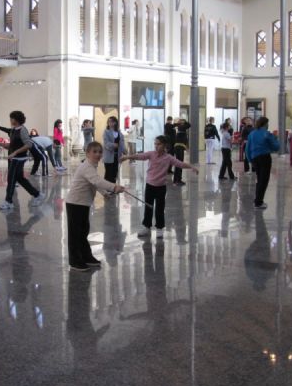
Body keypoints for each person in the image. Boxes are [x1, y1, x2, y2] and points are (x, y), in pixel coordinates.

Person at [120, 135, 198, 239]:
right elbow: (140, 156)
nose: (156, 146)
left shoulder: (168, 157)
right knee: (148, 207)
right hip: (150, 186)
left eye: (159, 144)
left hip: (161, 187)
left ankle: (160, 228)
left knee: (160, 209)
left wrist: (192, 166)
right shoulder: (151, 154)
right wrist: (127, 157)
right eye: (155, 144)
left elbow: (180, 164)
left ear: (164, 145)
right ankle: (146, 227)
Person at [65, 141, 124, 272]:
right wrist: (114, 187)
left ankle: (86, 256)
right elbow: (97, 180)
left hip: (83, 204)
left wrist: (104, 193)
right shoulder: (87, 166)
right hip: (75, 203)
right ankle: (75, 261)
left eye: (100, 152)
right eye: (94, 152)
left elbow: (94, 183)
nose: (98, 154)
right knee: (75, 234)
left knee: (83, 232)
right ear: (87, 153)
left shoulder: (92, 165)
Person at [0, 111, 46, 211]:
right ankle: (37, 194)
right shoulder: (13, 130)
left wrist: (15, 153)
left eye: (11, 118)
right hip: (15, 157)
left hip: (19, 158)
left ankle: (8, 202)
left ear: (15, 120)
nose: (10, 120)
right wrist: (0, 144)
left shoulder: (23, 130)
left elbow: (28, 144)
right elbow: (11, 145)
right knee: (20, 179)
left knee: (11, 178)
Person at [245, 116, 280, 209]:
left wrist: (250, 160)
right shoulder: (267, 134)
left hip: (255, 159)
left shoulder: (252, 134)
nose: (268, 125)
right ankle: (258, 202)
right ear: (265, 124)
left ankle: (257, 199)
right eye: (267, 123)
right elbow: (276, 147)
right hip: (265, 158)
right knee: (263, 180)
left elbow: (247, 149)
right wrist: (275, 138)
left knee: (259, 179)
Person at [102, 116, 126, 183]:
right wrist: (113, 145)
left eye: (112, 121)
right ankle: (107, 189)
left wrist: (124, 150)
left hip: (117, 156)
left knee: (115, 173)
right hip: (109, 156)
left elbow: (122, 142)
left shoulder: (119, 132)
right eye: (109, 121)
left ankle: (113, 188)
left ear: (115, 122)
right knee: (108, 173)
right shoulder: (106, 132)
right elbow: (106, 143)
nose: (110, 123)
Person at [173, 118, 191, 186]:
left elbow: (188, 125)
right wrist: (182, 122)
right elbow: (189, 125)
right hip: (179, 149)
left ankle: (177, 179)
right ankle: (177, 180)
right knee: (179, 164)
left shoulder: (181, 130)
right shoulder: (181, 128)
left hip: (180, 148)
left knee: (179, 164)